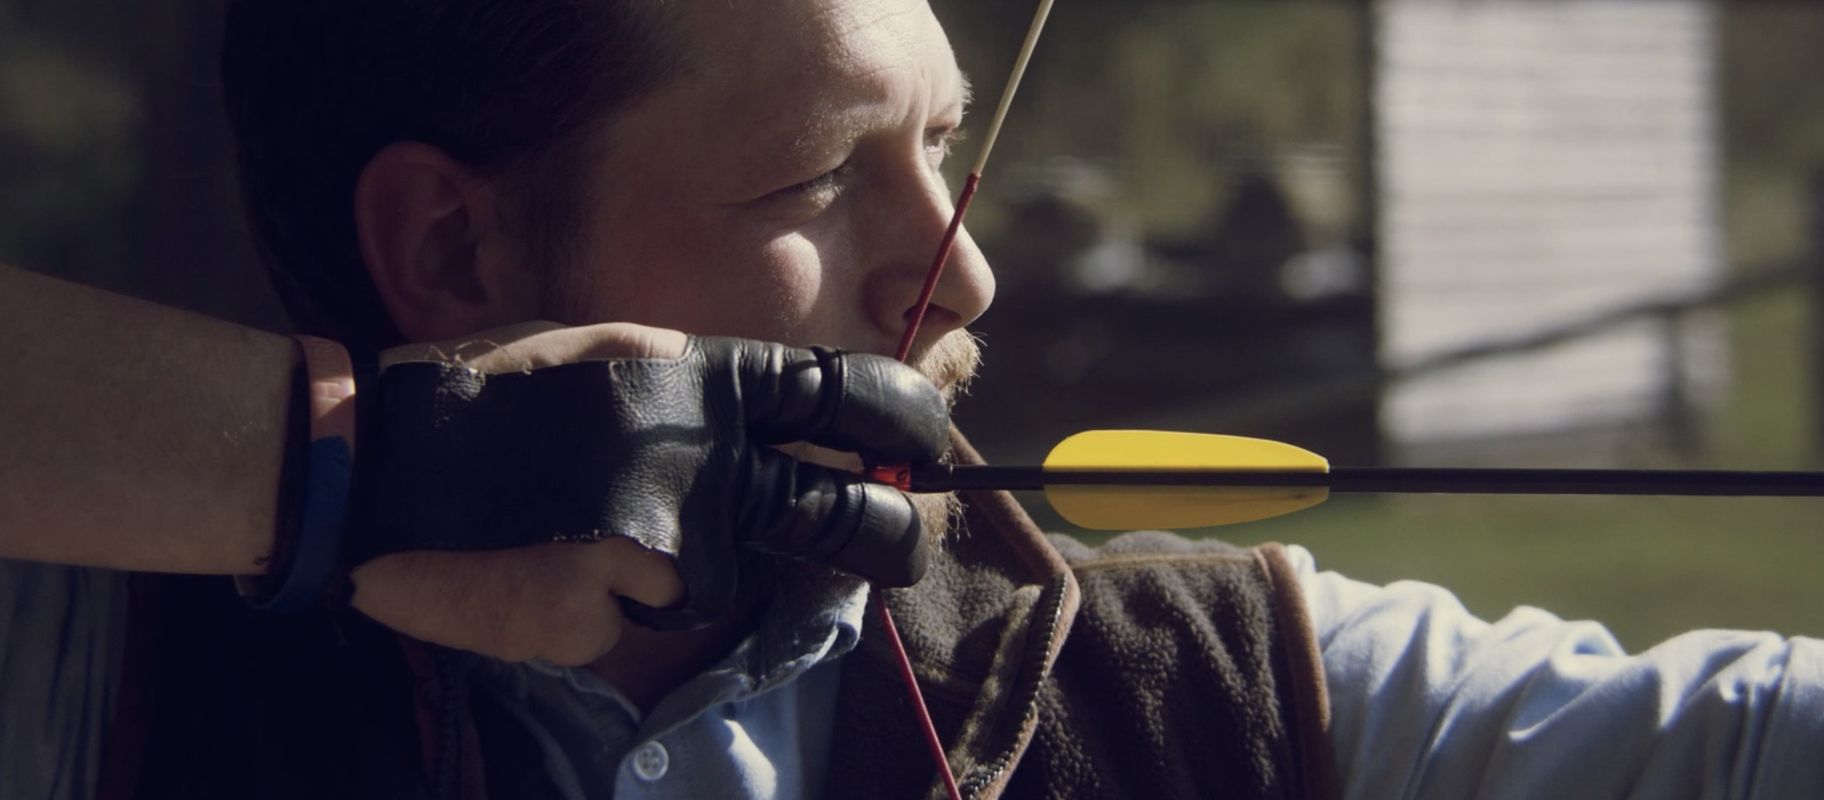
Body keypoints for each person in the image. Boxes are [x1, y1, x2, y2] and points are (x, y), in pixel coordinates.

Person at [3, 1, 1819, 798]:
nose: (957, 277)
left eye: (940, 145)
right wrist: (354, 473)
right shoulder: (105, 684)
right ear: (454, 255)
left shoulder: (1204, 690)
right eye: (813, 180)